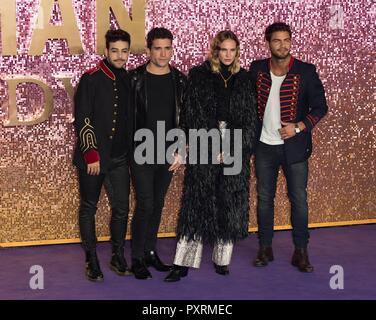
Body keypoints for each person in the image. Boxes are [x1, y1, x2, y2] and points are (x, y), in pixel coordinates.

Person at [164, 30, 258, 282]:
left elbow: (250, 119)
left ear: (237, 51)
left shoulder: (246, 79)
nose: (227, 55)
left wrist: (235, 148)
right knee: (196, 203)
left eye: (232, 50)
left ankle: (222, 259)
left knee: (229, 202)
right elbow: (189, 114)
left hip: (234, 143)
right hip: (203, 141)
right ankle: (182, 263)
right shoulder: (199, 75)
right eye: (223, 49)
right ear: (215, 51)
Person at [249, 22, 328, 272]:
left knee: (299, 200)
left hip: (294, 148)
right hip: (263, 147)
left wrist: (299, 126)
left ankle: (301, 251)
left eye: (286, 40)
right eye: (276, 41)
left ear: (290, 42)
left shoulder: (305, 71)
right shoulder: (257, 69)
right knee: (264, 200)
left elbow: (320, 107)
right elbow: (248, 103)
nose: (282, 45)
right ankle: (265, 248)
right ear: (268, 43)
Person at [73, 29, 132, 282]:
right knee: (89, 207)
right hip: (94, 159)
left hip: (119, 158)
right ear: (106, 51)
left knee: (121, 208)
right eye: (115, 51)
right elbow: (83, 119)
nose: (120, 56)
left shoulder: (129, 78)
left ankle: (117, 255)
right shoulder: (91, 78)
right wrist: (91, 154)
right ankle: (91, 259)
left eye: (124, 51)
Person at [128, 27, 187, 279]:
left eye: (167, 48)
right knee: (146, 203)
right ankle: (137, 257)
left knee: (158, 203)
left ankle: (151, 252)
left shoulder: (180, 80)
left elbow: (185, 118)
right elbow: (126, 118)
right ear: (149, 49)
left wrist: (181, 148)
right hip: (140, 150)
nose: (163, 53)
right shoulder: (134, 79)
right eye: (158, 48)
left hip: (168, 152)